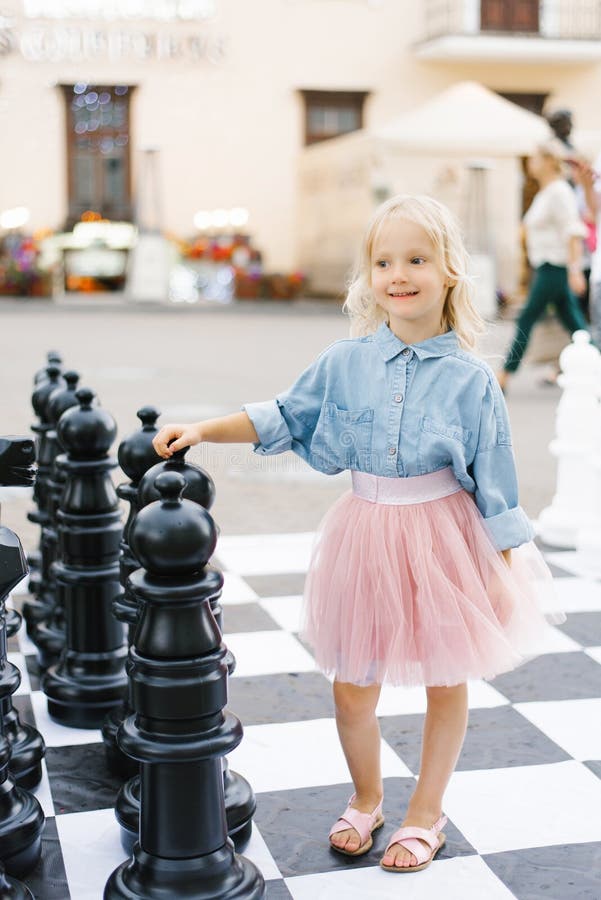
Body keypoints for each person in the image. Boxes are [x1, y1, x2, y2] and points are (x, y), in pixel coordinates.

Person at [152, 194, 565, 875]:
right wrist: (201, 429)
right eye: (382, 261)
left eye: (415, 260)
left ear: (449, 272)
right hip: (365, 534)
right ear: (368, 276)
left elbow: (496, 484)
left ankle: (424, 812)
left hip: (442, 538)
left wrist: (500, 569)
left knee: (445, 677)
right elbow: (280, 414)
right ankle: (367, 796)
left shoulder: (470, 379)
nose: (397, 274)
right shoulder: (345, 361)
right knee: (351, 685)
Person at [496, 140, 589, 393]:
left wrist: (574, 270)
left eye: (535, 158)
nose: (531, 164)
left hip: (553, 268)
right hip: (546, 268)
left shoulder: (559, 192)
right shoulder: (546, 192)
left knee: (527, 317)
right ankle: (595, 362)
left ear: (549, 161)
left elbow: (573, 231)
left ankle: (505, 373)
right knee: (576, 326)